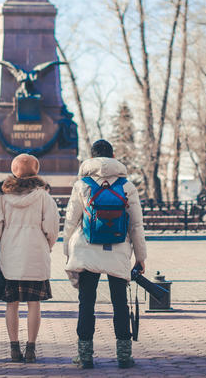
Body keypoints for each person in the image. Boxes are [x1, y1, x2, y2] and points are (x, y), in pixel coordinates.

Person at [63, 139, 147, 369]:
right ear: (112, 157)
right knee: (120, 303)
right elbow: (136, 225)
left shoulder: (82, 185)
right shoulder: (127, 186)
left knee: (86, 302)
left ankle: (85, 355)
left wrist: (66, 249)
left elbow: (71, 220)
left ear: (91, 158)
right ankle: (124, 356)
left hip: (86, 251)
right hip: (118, 251)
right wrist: (140, 257)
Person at [0, 154, 59, 363]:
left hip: (10, 257)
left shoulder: (2, 197)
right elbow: (52, 229)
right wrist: (47, 245)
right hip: (35, 255)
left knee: (12, 303)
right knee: (34, 303)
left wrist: (2, 242)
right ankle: (31, 349)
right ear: (36, 172)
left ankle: (14, 348)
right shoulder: (44, 197)